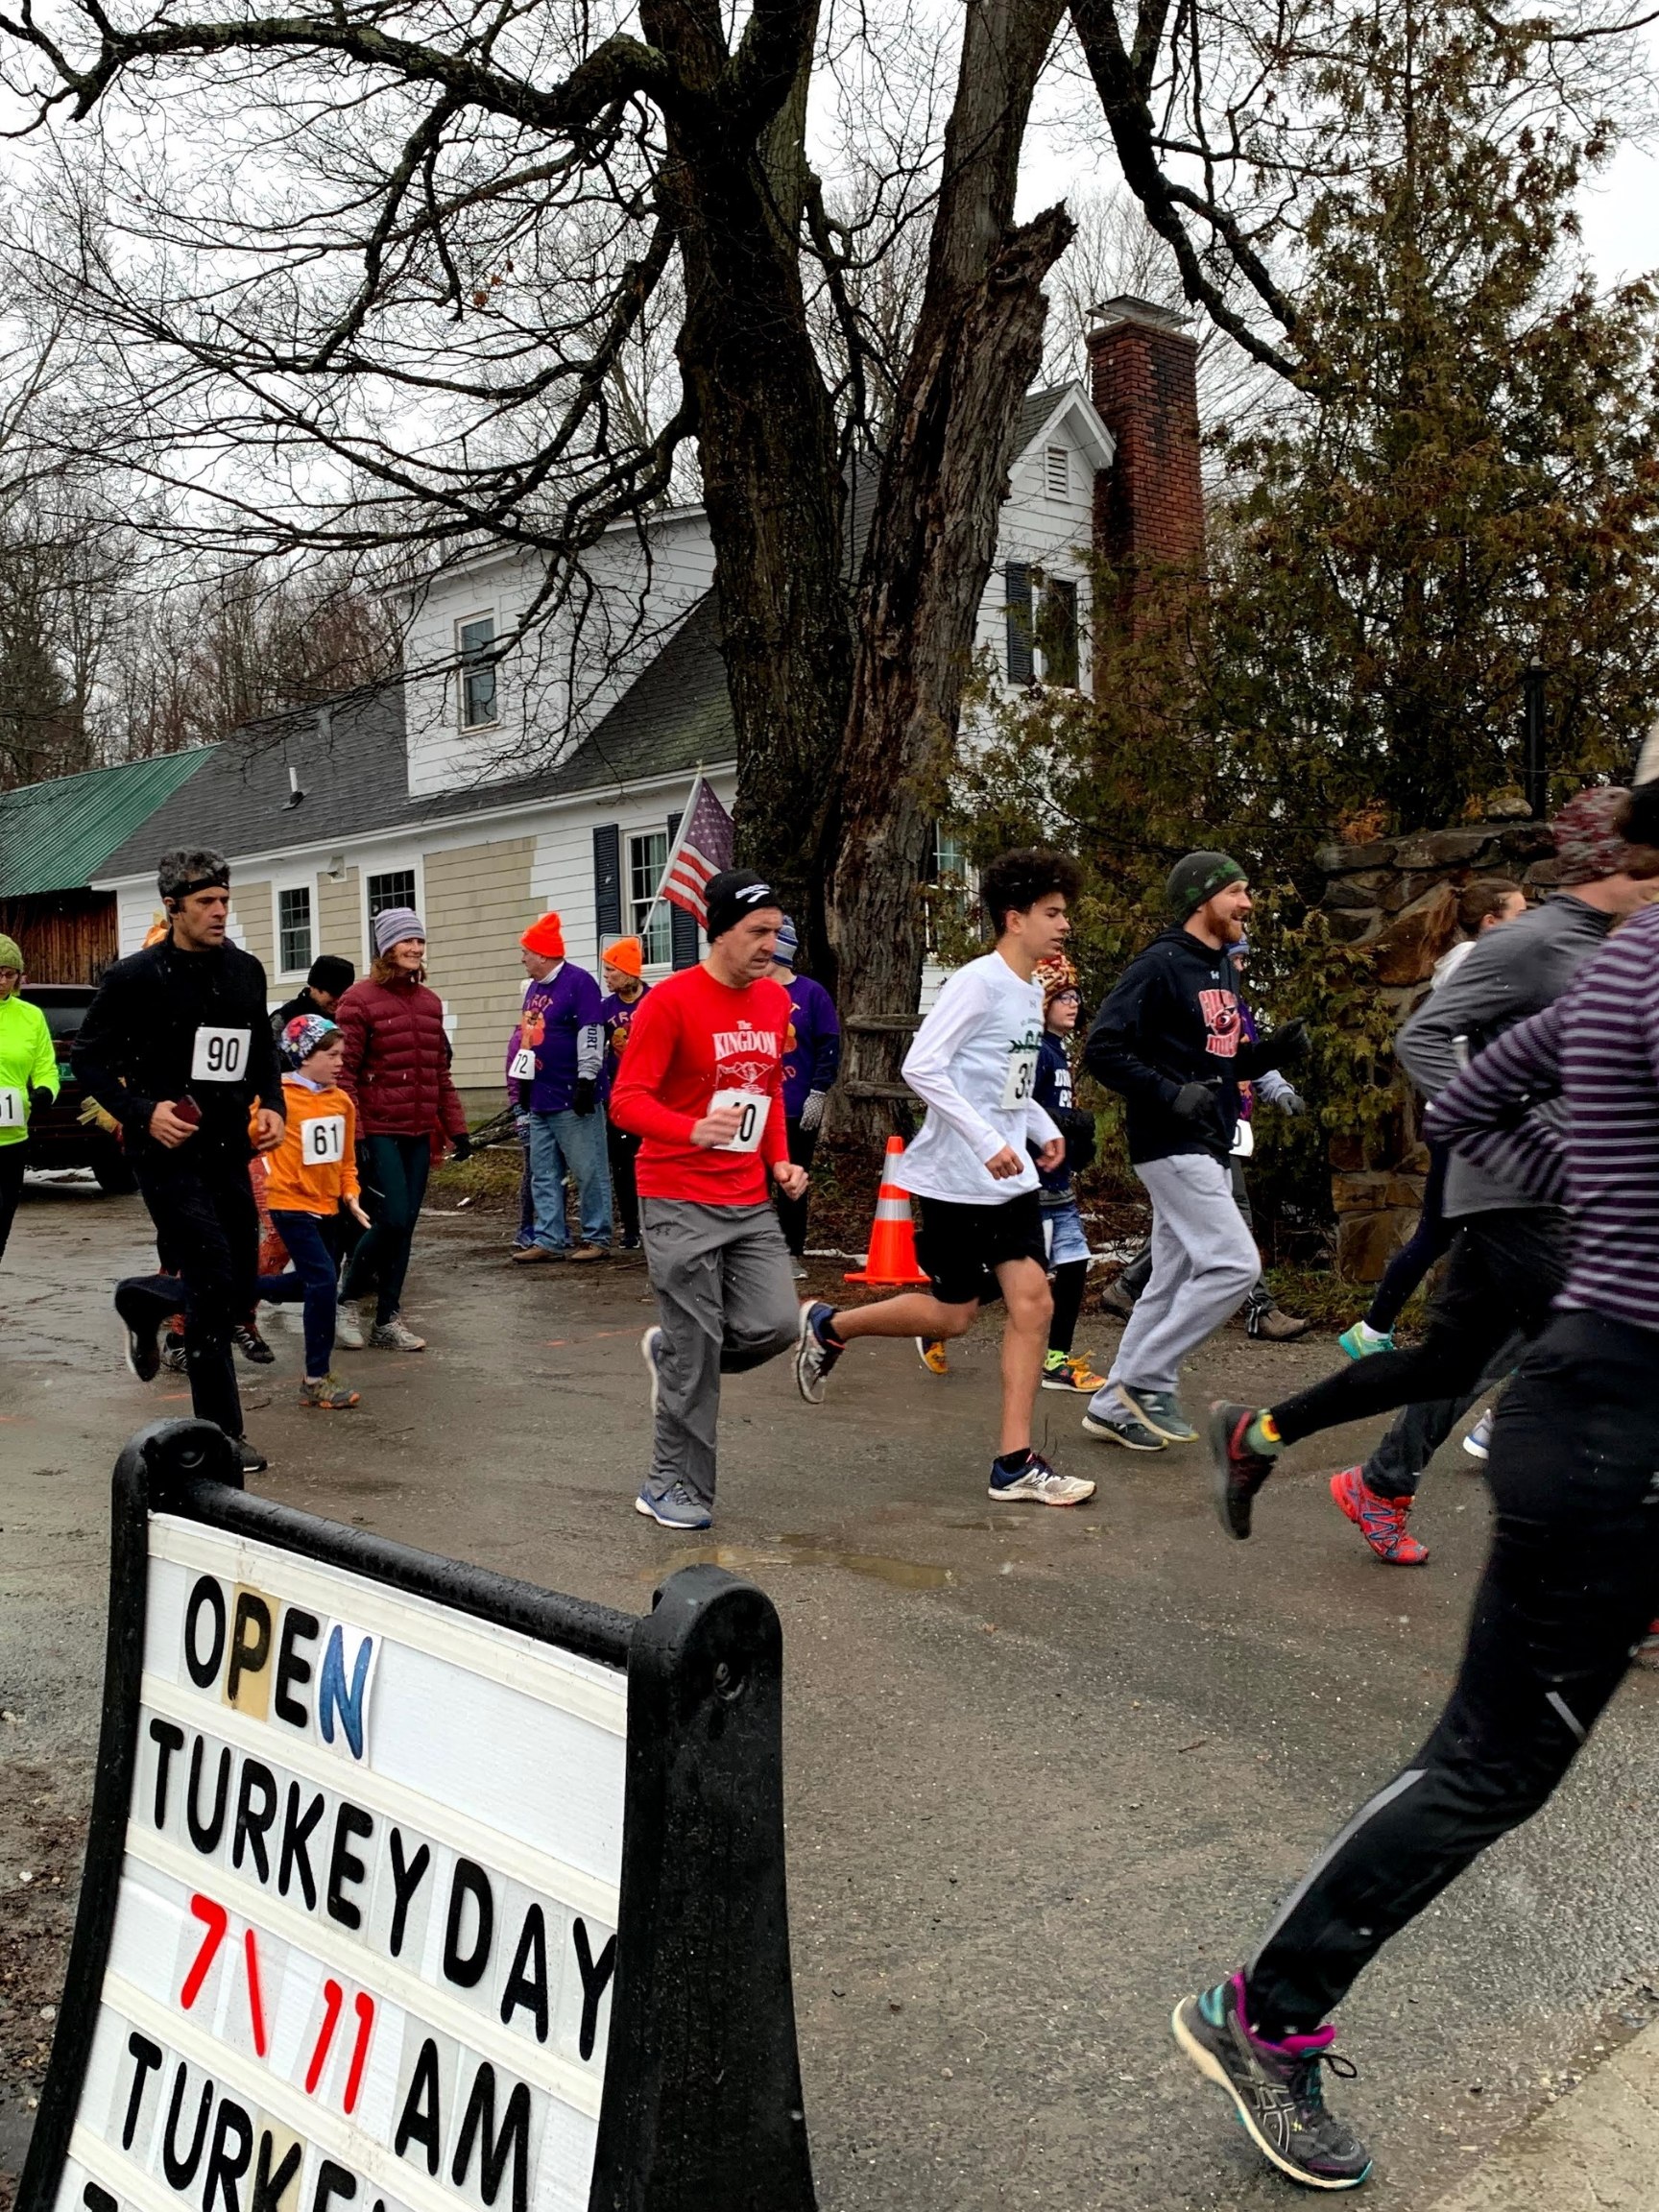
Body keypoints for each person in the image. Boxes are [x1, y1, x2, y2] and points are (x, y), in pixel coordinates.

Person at [1174, 783, 1659, 2193]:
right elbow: (1454, 1074)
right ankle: (1265, 2011)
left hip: (1602, 1377)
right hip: (1615, 1419)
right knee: (1491, 1764)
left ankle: (1264, 1441)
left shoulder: (1620, 967)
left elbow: (1484, 1091)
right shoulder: (1612, 965)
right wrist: (1585, 1201)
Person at [1209, 788, 1655, 1557]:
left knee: (1444, 1364)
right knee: (1608, 1365)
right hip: (1519, 1195)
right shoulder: (1532, 943)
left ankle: (1262, 1435)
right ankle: (1620, 1580)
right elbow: (1424, 1039)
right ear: (1615, 856)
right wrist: (1509, 1137)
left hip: (1533, 1193)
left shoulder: (1602, 945)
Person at [794, 849, 1096, 1509]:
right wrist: (989, 1140)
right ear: (1014, 919)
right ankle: (830, 1326)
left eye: (1063, 913)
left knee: (1030, 1302)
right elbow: (922, 1067)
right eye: (1052, 913)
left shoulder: (1024, 991)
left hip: (1006, 1180)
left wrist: (1040, 1127)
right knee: (955, 1317)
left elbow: (1004, 1082)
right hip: (957, 1179)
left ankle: (1014, 1462)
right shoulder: (979, 982)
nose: (1063, 925)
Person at [1079, 854, 1308, 1454]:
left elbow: (1217, 1060)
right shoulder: (1160, 965)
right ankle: (1145, 1381)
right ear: (1202, 899)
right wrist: (1167, 1093)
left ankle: (1110, 1406)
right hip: (1168, 1140)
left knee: (1172, 1275)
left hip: (1208, 1137)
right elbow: (1102, 1049)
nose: (1248, 903)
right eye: (1237, 891)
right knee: (1236, 1265)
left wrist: (1267, 1057)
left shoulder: (1220, 967)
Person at [608, 869, 808, 1530]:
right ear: (718, 931)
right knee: (698, 1360)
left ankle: (675, 1354)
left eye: (776, 933)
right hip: (676, 1196)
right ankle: (671, 1487)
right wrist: (692, 1128)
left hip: (747, 1196)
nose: (769, 946)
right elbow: (627, 1101)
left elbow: (770, 1091)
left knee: (778, 1324)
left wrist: (779, 1157)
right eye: (757, 932)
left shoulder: (776, 1003)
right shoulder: (670, 1003)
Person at [74, 847, 285, 1475]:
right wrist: (141, 1110)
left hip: (228, 1148)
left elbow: (260, 1052)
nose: (220, 911)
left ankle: (141, 1299)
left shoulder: (245, 972)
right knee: (213, 1277)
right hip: (164, 1153)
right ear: (173, 908)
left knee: (240, 1284)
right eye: (206, 903)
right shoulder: (136, 978)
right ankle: (222, 1433)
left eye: (224, 900)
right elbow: (87, 1059)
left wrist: (272, 1104)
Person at [1338, 877, 1526, 1361]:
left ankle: (1381, 1328)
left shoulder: (1477, 963)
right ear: (1491, 923)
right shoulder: (1477, 965)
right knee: (1455, 1232)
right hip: (1467, 1123)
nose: (1529, 926)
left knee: (1451, 1232)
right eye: (1519, 915)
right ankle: (1387, 1331)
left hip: (1467, 1121)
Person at [1098, 938, 1310, 1341]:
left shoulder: (1235, 1007)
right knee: (1236, 1246)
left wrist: (1279, 1083)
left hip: (1225, 1127)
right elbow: (1112, 1050)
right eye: (1236, 959)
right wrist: (1171, 1094)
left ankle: (1127, 1298)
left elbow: (1239, 1059)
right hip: (1187, 1132)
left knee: (1176, 1243)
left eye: (1245, 960)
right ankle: (1261, 1309)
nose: (1241, 968)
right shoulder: (1171, 981)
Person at [335, 906, 470, 1349]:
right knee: (391, 1218)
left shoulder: (430, 1004)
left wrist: (457, 1128)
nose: (415, 948)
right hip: (376, 1126)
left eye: (419, 941)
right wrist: (355, 1137)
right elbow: (344, 1074)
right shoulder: (358, 1000)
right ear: (385, 948)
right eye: (405, 940)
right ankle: (348, 1298)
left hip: (418, 1130)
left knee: (406, 1224)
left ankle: (387, 1319)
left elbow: (439, 1074)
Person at [254, 1014, 369, 1408]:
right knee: (322, 1284)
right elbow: (252, 1137)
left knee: (305, 1283)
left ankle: (226, 1290)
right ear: (304, 1056)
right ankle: (315, 1377)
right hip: (289, 1204)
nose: (340, 1062)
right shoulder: (277, 1097)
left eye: (343, 1054)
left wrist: (350, 1195)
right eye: (332, 1054)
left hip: (328, 1208)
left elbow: (346, 1162)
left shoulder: (341, 1102)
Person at [508, 910, 611, 1263]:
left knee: (588, 1169)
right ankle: (549, 1237)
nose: (522, 958)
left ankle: (597, 1236)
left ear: (542, 953)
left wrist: (587, 1078)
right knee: (543, 1172)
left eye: (526, 952)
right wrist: (522, 1080)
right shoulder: (535, 989)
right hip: (540, 1096)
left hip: (572, 1096)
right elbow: (528, 1035)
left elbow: (591, 1032)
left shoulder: (579, 983)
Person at [771, 915, 841, 1279]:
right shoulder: (751, 992)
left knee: (793, 1180)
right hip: (757, 1108)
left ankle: (791, 1251)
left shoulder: (811, 994)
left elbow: (829, 1045)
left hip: (797, 1105)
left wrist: (818, 1091)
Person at [0, 932, 60, 1266]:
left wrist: (45, 1092)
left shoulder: (31, 1016)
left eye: (10, 973)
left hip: (13, 1139)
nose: (3, 980)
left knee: (3, 1220)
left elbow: (46, 1068)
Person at [598, 936, 651, 1251]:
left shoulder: (654, 1002)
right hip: (618, 1098)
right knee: (623, 1165)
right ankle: (631, 1227)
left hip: (652, 1097)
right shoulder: (605, 1009)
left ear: (629, 972)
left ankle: (654, 1224)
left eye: (611, 970)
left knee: (651, 1165)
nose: (606, 977)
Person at [269, 954, 356, 1041]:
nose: (338, 1001)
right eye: (334, 994)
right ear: (314, 987)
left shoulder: (348, 1019)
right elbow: (266, 1050)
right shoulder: (287, 1017)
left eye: (343, 995)